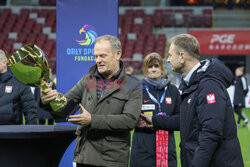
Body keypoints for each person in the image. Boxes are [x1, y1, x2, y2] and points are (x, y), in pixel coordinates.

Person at [40, 35, 142, 167]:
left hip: (112, 160)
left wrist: (92, 120)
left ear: (118, 54)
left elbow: (129, 121)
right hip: (85, 157)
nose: (98, 60)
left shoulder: (133, 84)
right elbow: (65, 109)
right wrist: (48, 100)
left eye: (103, 56)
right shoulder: (87, 79)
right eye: (96, 56)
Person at [167, 34, 244, 167]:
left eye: (170, 55)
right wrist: (154, 121)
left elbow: (211, 132)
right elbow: (188, 122)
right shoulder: (193, 84)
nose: (168, 60)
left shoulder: (208, 85)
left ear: (181, 56)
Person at [130, 52, 181, 167]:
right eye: (150, 66)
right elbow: (128, 117)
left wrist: (159, 121)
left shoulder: (173, 90)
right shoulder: (137, 90)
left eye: (156, 66)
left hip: (167, 153)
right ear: (145, 69)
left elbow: (181, 120)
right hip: (142, 153)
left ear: (162, 68)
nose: (153, 69)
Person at [0, 49, 38, 125]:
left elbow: (30, 112)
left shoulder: (20, 83)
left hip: (11, 134)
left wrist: (32, 134)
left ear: (4, 63)